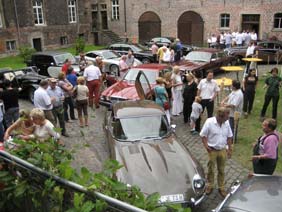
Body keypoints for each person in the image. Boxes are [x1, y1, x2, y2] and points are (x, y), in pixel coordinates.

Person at [200, 107, 233, 198]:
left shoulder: (226, 122)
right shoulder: (209, 122)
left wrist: (230, 149)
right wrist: (206, 146)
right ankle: (210, 185)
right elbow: (203, 135)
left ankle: (221, 187)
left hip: (222, 150)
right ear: (220, 116)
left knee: (221, 170)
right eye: (226, 118)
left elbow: (229, 136)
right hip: (212, 150)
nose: (227, 120)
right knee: (211, 169)